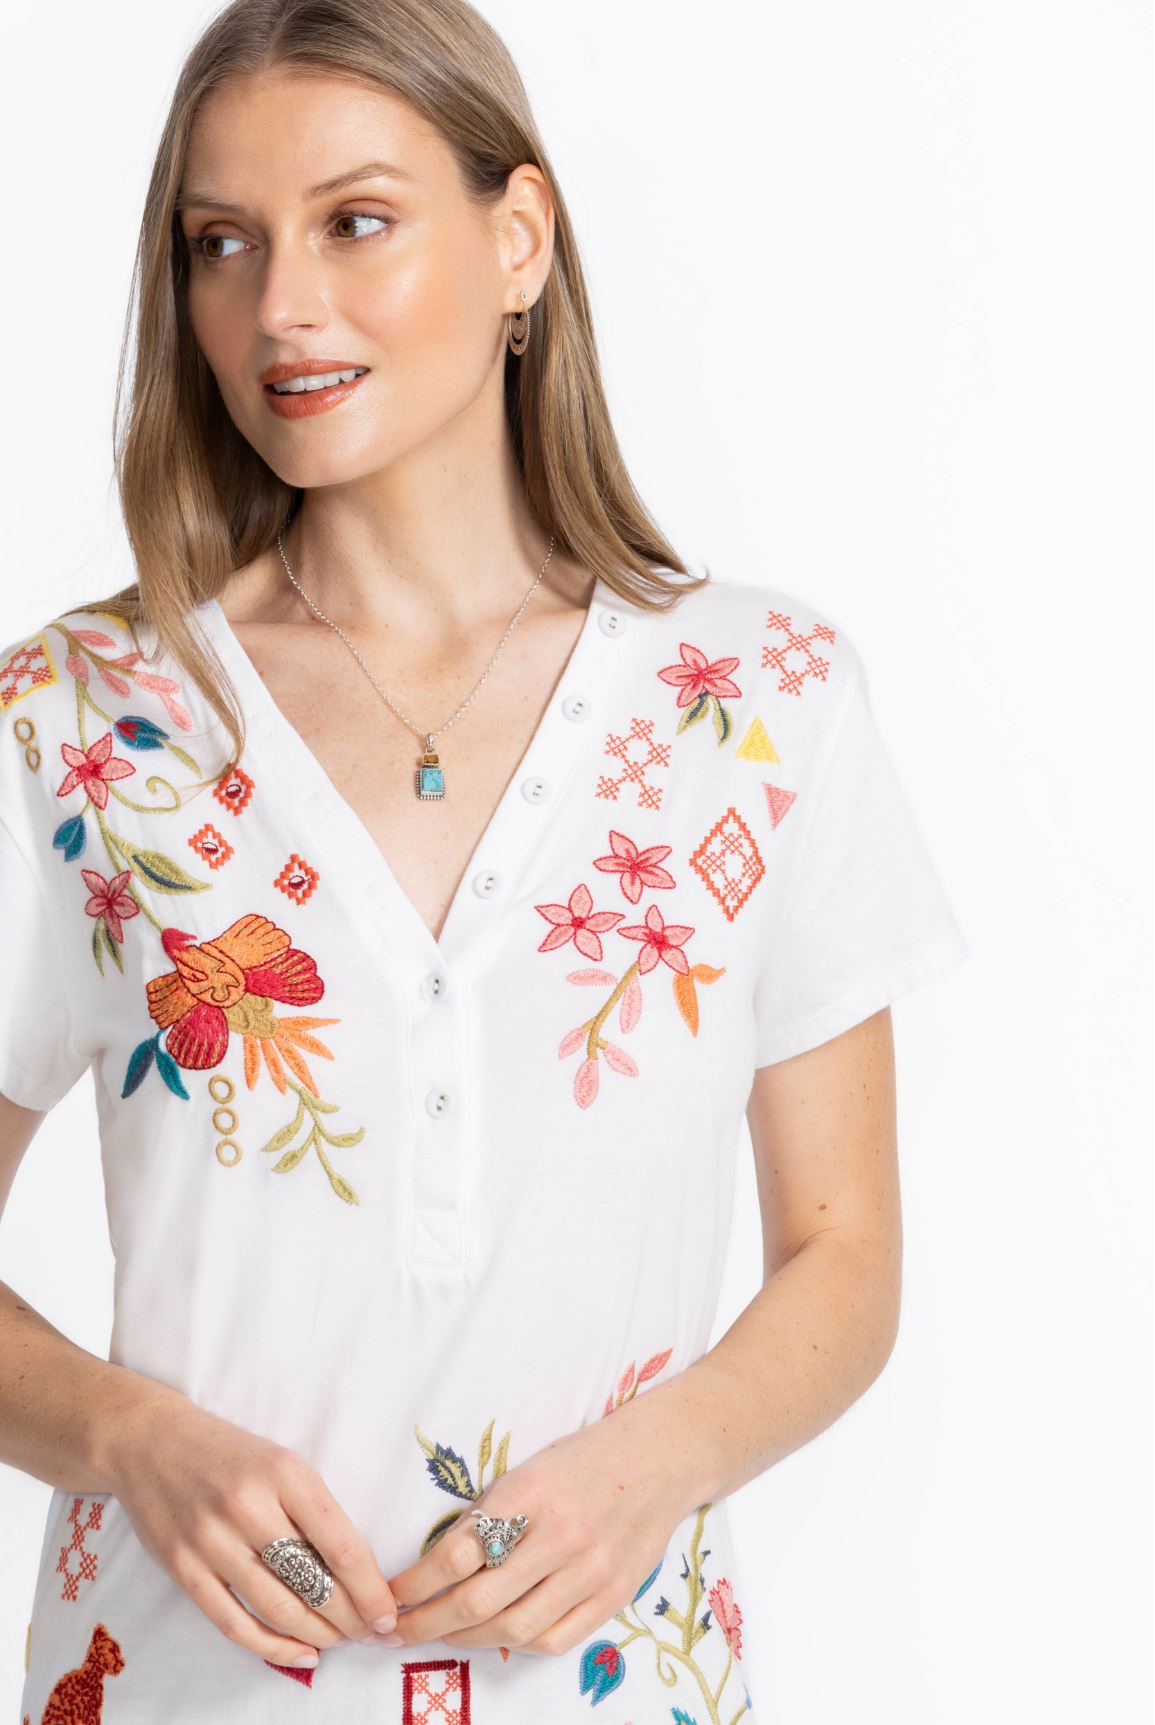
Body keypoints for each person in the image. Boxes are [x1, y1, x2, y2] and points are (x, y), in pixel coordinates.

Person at [0, 1, 970, 1720]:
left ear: (519, 238)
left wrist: (659, 1462)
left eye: (355, 221)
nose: (278, 305)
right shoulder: (79, 721)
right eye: (223, 243)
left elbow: (846, 1254)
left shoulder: (760, 703)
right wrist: (132, 1437)